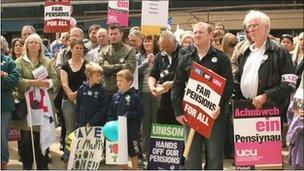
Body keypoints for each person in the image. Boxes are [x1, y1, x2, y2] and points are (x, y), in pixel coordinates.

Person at [171, 21, 234, 169]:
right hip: (191, 114)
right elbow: (177, 85)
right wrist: (178, 111)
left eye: (200, 32)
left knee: (214, 155)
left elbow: (229, 85)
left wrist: (219, 106)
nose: (196, 35)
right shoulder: (186, 58)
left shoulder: (221, 58)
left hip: (214, 116)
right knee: (191, 156)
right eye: (195, 32)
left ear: (210, 35)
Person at [13, 33, 59, 169]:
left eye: (36, 42)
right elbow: (16, 81)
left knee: (42, 138)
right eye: (30, 42)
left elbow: (56, 80)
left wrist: (47, 83)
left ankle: (42, 166)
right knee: (27, 141)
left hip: (43, 107)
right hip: (27, 106)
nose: (33, 44)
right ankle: (27, 166)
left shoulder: (47, 62)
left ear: (40, 46)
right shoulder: (19, 62)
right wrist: (33, 83)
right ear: (26, 46)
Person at [107, 69, 145, 170]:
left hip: (132, 131)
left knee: (134, 152)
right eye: (117, 81)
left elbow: (141, 112)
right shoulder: (116, 97)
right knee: (121, 152)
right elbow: (111, 112)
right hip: (119, 131)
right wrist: (111, 121)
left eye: (121, 81)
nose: (118, 83)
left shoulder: (135, 97)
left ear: (129, 82)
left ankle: (134, 169)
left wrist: (129, 114)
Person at [148, 30, 182, 124]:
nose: (164, 49)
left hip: (181, 98)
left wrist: (172, 83)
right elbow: (153, 74)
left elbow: (189, 76)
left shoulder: (184, 54)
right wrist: (152, 87)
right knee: (161, 125)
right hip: (164, 99)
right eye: (161, 47)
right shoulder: (159, 56)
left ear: (175, 42)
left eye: (167, 46)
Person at [97, 23, 136, 100]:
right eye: (111, 34)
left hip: (123, 92)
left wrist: (108, 68)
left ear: (121, 34)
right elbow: (99, 68)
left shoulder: (130, 50)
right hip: (106, 92)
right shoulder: (104, 50)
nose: (113, 36)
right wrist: (122, 66)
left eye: (115, 34)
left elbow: (130, 68)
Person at [137, 34, 159, 158]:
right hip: (143, 93)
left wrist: (155, 61)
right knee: (145, 124)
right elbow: (135, 71)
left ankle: (156, 149)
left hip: (156, 93)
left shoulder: (160, 56)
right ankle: (146, 151)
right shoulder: (139, 56)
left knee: (156, 122)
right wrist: (146, 63)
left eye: (149, 41)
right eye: (144, 41)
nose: (146, 43)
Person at [1, 36, 20, 170]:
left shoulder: (8, 61)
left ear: (2, 46)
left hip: (4, 106)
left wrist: (5, 79)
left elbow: (14, 81)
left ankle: (3, 161)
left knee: (2, 135)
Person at [75, 62, 108, 128]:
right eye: (97, 75)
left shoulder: (102, 90)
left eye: (100, 75)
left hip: (98, 124)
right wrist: (78, 123)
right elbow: (78, 107)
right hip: (83, 124)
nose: (99, 77)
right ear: (89, 75)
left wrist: (92, 122)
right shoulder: (82, 88)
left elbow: (104, 108)